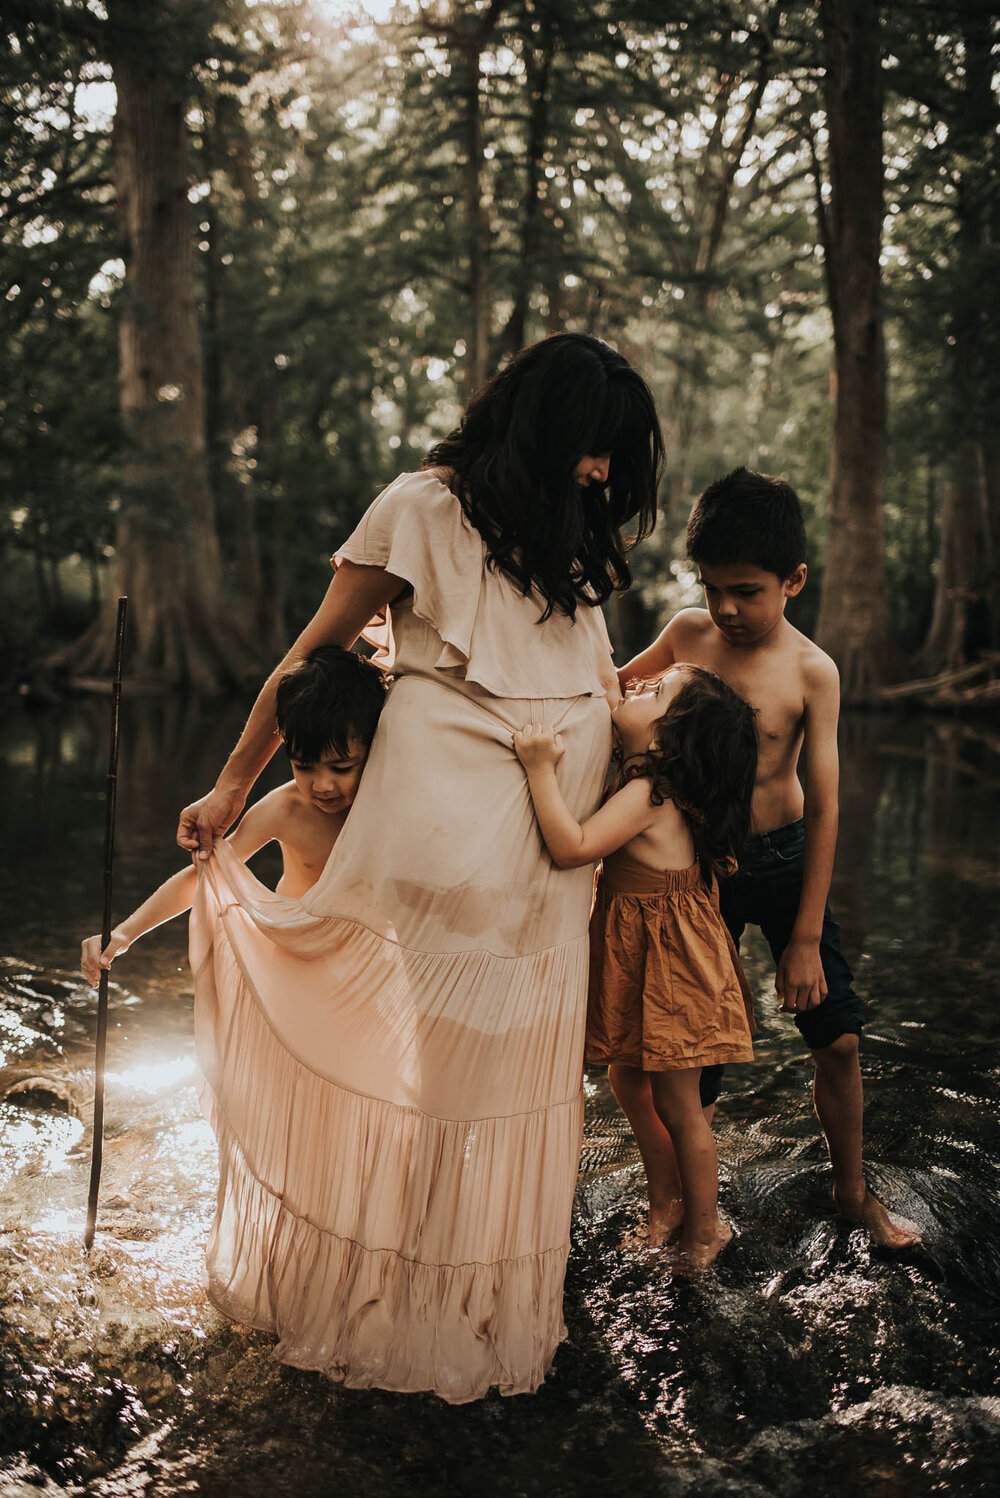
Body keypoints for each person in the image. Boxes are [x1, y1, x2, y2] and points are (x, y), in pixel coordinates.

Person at [175, 333, 664, 1402]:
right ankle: (391, 1301)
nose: (605, 476)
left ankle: (465, 1296)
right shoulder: (423, 505)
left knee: (503, 1077)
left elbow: (586, 672)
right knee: (443, 1081)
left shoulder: (565, 523)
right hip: (456, 817)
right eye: (595, 451)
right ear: (546, 428)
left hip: (553, 841)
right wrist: (228, 787)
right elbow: (314, 655)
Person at [618, 468, 920, 1249]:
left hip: (785, 863)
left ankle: (852, 1193)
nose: (727, 608)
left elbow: (826, 807)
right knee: (688, 1057)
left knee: (842, 1039)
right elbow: (615, 693)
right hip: (695, 867)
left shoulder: (813, 671)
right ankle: (691, 1207)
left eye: (747, 591)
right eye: (712, 586)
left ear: (794, 581)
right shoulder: (688, 635)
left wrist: (807, 937)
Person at [514, 665, 757, 1271]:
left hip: (670, 959)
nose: (635, 687)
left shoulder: (649, 795)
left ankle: (705, 1230)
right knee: (626, 1079)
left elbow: (572, 847)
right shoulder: (642, 778)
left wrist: (540, 766)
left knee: (678, 1102)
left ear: (669, 737)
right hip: (643, 949)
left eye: (653, 692)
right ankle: (666, 1200)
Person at [81, 647, 386, 985]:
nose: (323, 785)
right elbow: (205, 873)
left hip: (367, 965)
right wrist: (125, 933)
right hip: (294, 963)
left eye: (342, 767)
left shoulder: (391, 811)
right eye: (303, 766)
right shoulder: (285, 810)